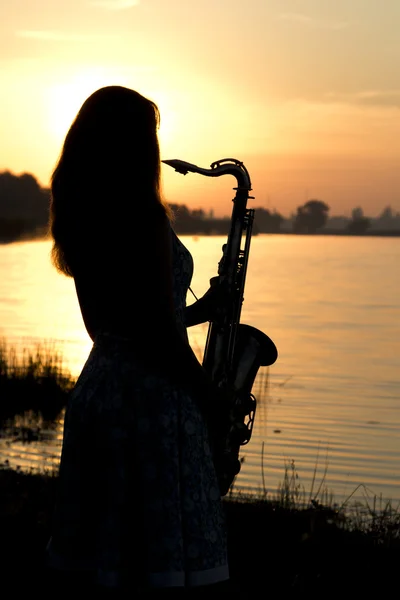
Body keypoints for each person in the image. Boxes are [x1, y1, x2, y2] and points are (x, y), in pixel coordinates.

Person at [45, 85, 233, 597]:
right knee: (161, 579)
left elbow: (115, 325)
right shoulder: (145, 220)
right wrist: (209, 397)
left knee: (103, 573)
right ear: (135, 146)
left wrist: (198, 311)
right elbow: (154, 334)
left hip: (100, 396)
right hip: (153, 411)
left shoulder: (83, 218)